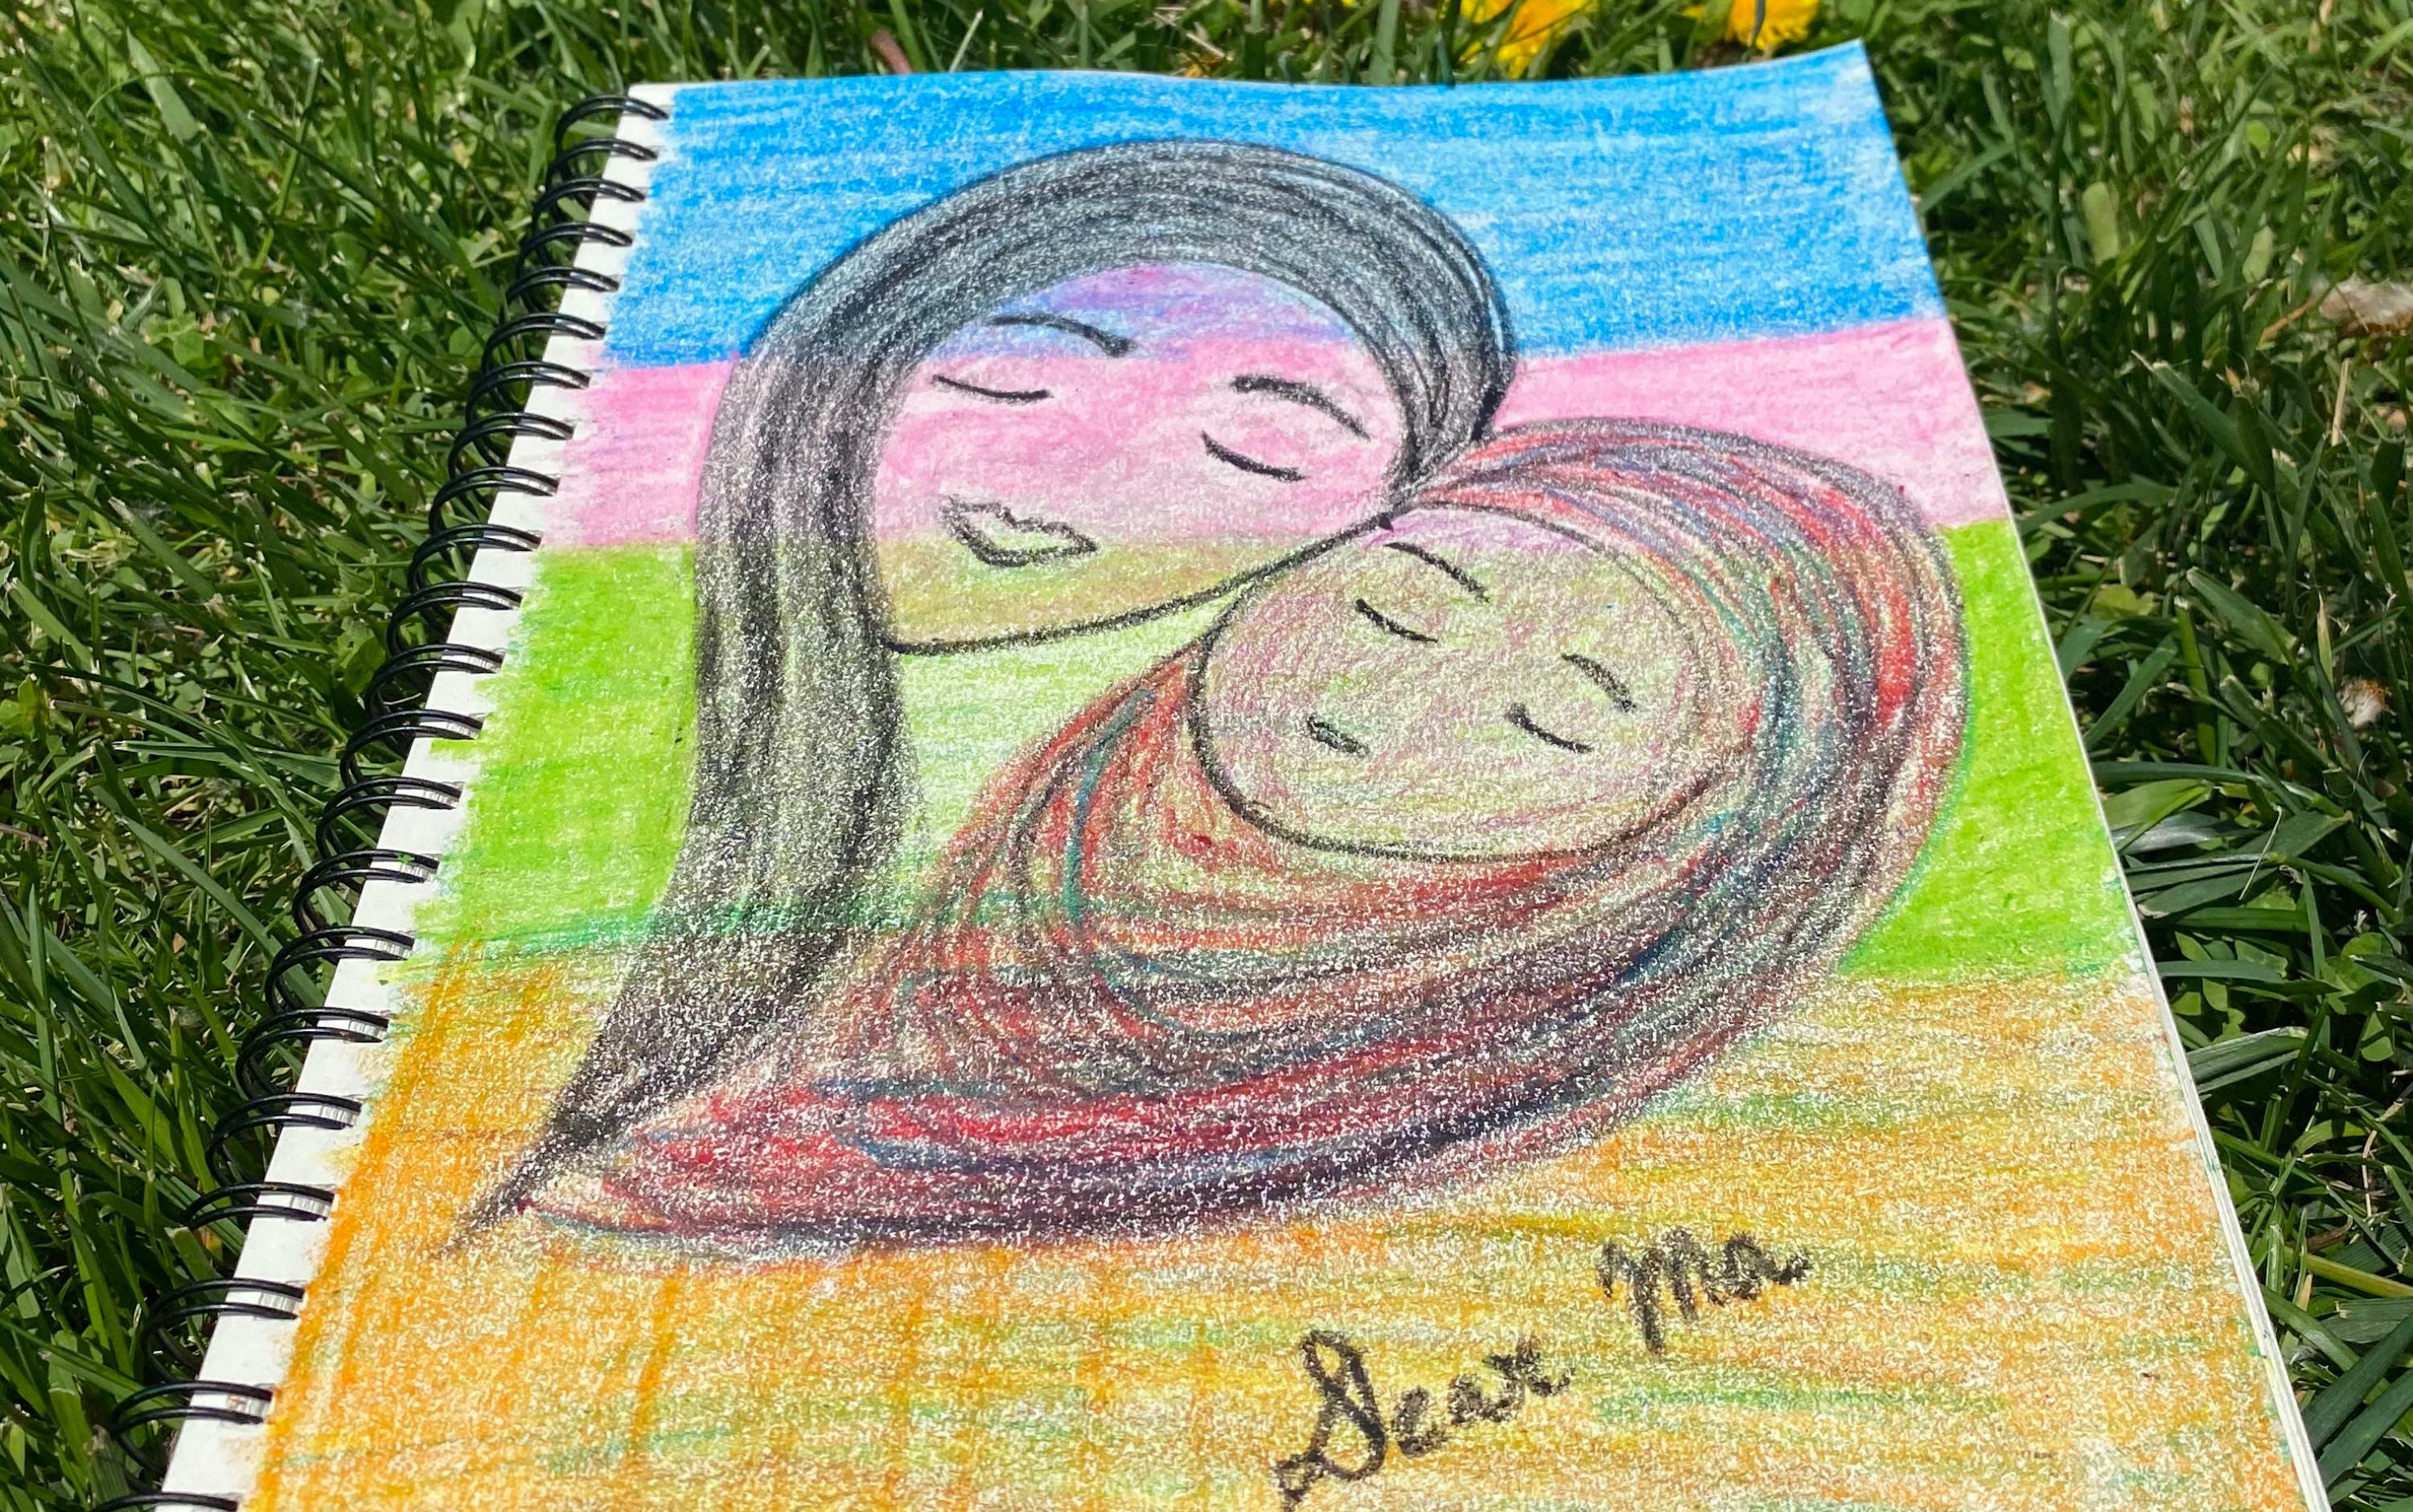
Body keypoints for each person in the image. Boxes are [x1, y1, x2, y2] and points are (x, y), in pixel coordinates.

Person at [516, 420, 1968, 1257]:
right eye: (1405, 599)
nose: (1392, 696)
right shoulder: (896, 851)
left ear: (1679, 849)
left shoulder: (1364, 1160)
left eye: (1560, 719)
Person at [464, 141, 1516, 1230]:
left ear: (1377, 524)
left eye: (1261, 448)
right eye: (1014, 372)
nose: (1076, 468)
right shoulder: (589, 748)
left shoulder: (1160, 892)